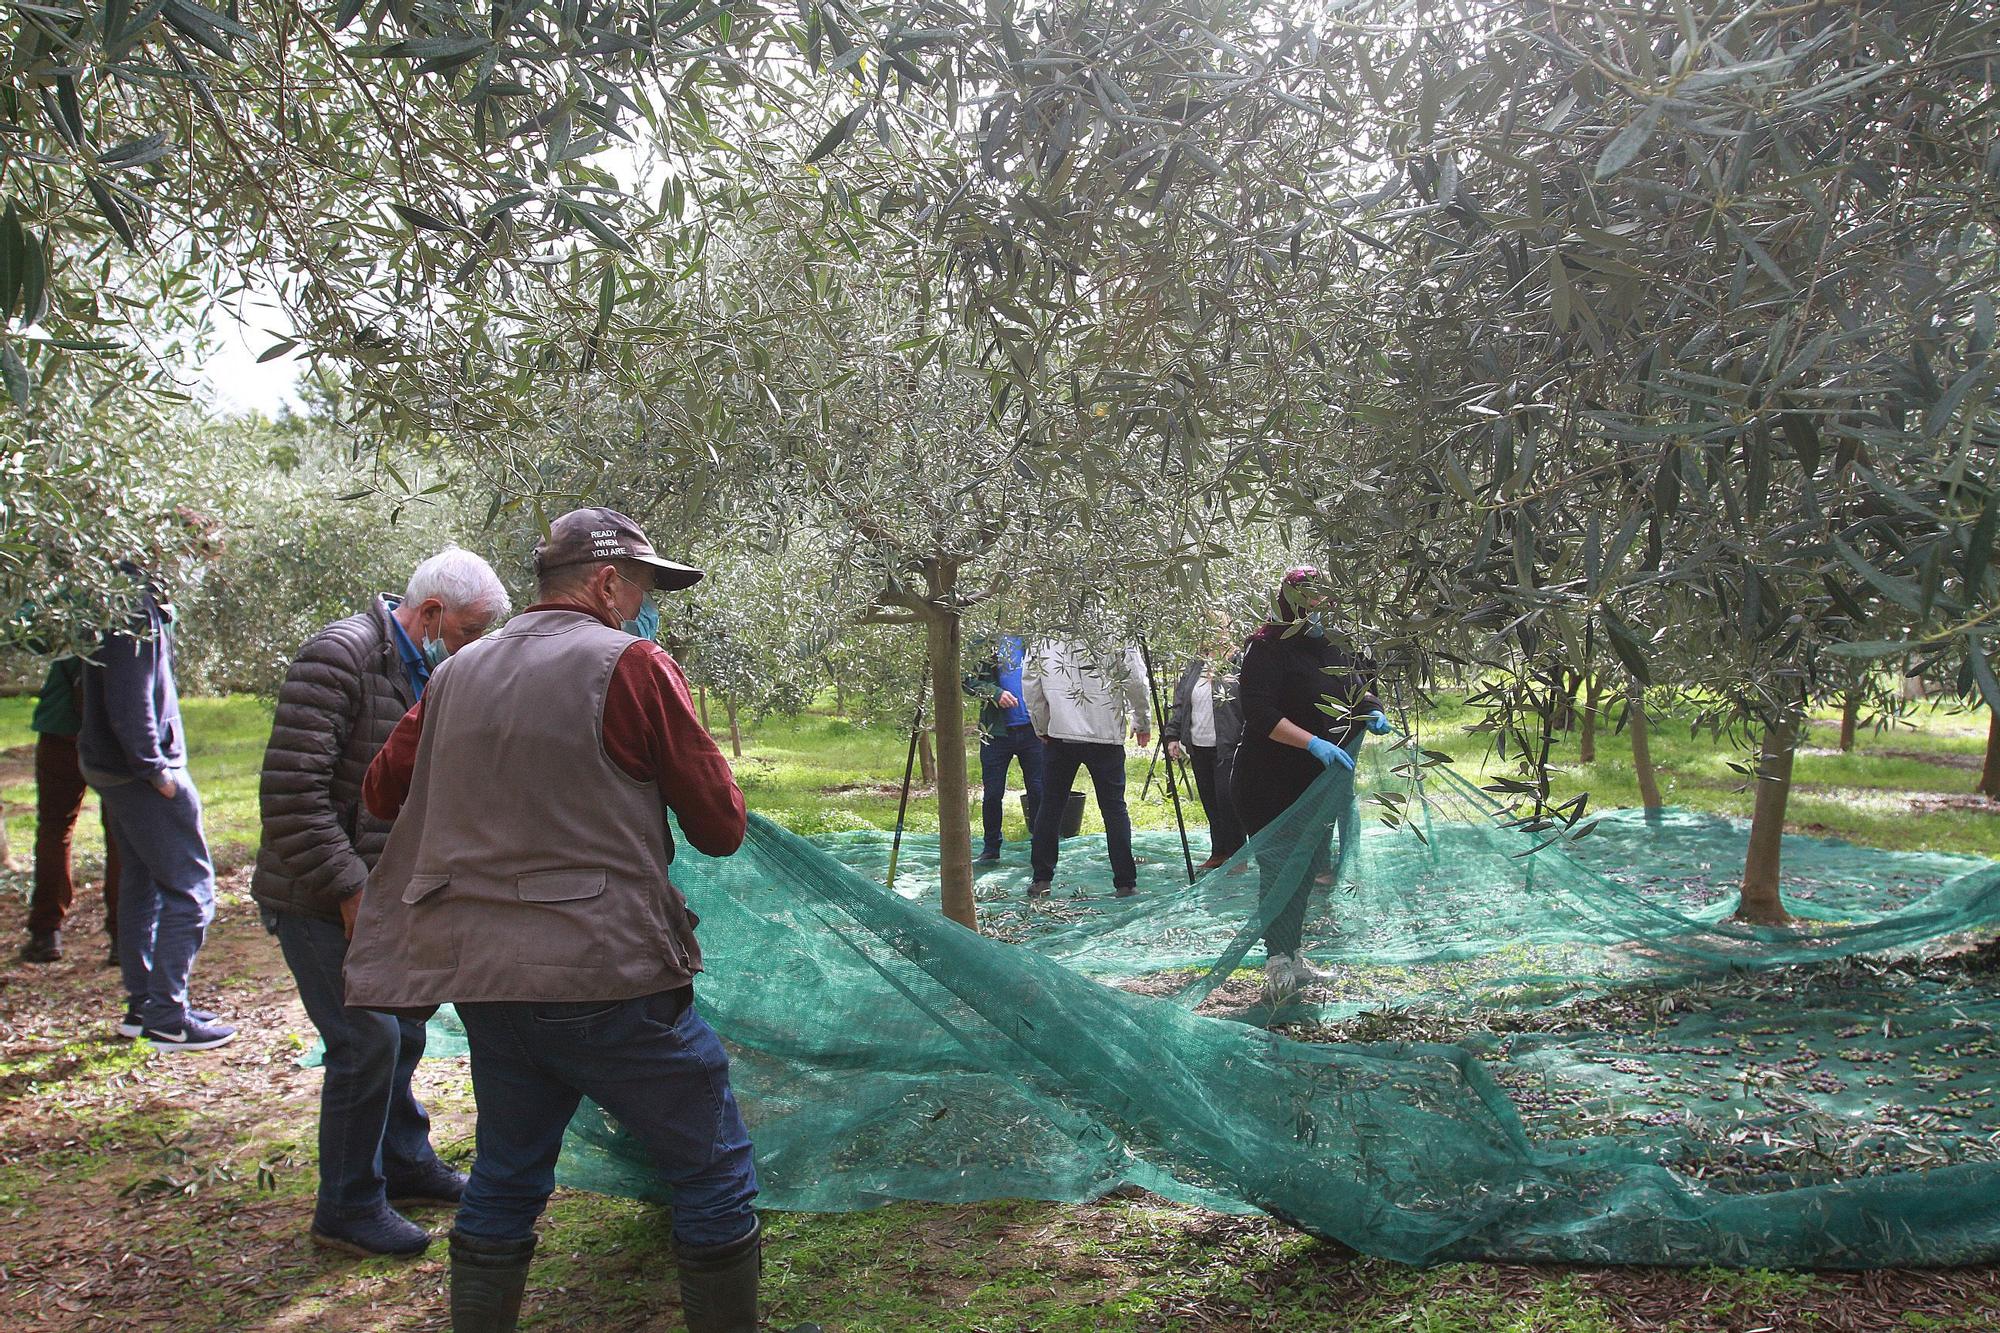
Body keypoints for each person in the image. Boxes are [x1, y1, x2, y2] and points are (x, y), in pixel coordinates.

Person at [344, 508, 802, 1333]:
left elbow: (381, 791)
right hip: (608, 972)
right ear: (604, 583)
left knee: (507, 1172)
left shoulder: (455, 673)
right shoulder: (631, 665)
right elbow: (719, 827)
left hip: (487, 975)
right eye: (643, 586)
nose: (644, 604)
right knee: (712, 1165)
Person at [252, 546, 511, 1258]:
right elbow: (290, 797)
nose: (475, 647)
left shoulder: (427, 667)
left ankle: (403, 1162)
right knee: (364, 1042)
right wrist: (350, 891)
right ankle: (346, 1205)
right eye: (468, 630)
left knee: (406, 1028)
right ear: (430, 613)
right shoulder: (340, 657)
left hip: (389, 894)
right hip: (317, 895)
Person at [79, 558, 234, 1050]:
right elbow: (129, 696)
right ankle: (168, 1016)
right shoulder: (133, 609)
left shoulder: (113, 598)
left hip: (113, 767)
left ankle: (144, 1006)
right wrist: (156, 769)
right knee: (193, 889)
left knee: (140, 883)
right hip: (140, 772)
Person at [1231, 568, 1390, 1003]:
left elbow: (1358, 687)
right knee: (1281, 870)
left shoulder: (1332, 644)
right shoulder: (1265, 647)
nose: (1317, 605)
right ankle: (1277, 962)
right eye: (1308, 598)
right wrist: (1312, 742)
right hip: (1269, 780)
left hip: (1316, 783)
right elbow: (1258, 712)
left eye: (1322, 597)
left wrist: (1372, 709)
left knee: (1308, 868)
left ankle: (1294, 954)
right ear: (1289, 601)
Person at [1023, 635, 1151, 899]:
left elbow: (1031, 683)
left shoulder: (1045, 633)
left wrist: (1042, 724)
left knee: (1051, 805)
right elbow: (1136, 679)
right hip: (1105, 735)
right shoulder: (1116, 630)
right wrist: (1142, 720)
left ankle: (1041, 879)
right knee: (1114, 809)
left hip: (1060, 732)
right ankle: (1125, 882)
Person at [19, 656, 122, 965]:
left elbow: (32, 632)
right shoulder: (142, 607)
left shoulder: (63, 606)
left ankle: (47, 932)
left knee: (54, 828)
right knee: (121, 832)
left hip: (61, 725)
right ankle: (124, 936)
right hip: (116, 729)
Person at [961, 633, 1044, 865]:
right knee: (993, 793)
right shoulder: (983, 641)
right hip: (996, 731)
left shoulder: (1034, 640)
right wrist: (994, 693)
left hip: (1033, 730)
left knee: (1039, 790)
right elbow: (964, 677)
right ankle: (991, 847)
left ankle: (1041, 845)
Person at [1164, 646, 1246, 872]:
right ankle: (1218, 852)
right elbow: (1181, 703)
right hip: (1198, 745)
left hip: (1228, 744)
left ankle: (1238, 855)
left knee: (1226, 800)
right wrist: (1172, 735)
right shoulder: (1195, 665)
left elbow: (1248, 703)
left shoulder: (1239, 663)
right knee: (1210, 801)